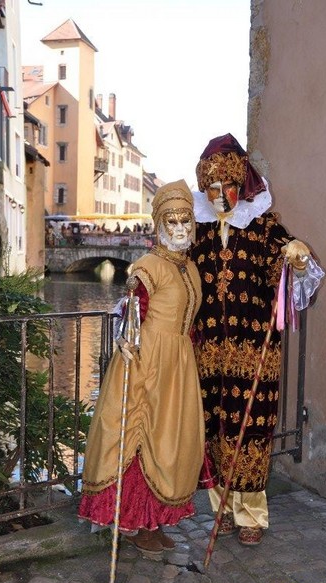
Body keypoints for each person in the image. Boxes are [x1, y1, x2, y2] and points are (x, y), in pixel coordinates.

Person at [190, 134, 324, 546]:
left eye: (226, 188)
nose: (219, 196)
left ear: (239, 184)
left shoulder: (262, 223)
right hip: (208, 350)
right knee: (214, 426)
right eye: (211, 189)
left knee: (250, 428)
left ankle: (251, 513)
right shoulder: (198, 229)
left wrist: (297, 254)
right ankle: (221, 507)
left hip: (254, 350)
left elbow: (290, 257)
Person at [78, 179, 205, 556]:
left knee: (171, 442)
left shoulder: (191, 268)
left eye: (186, 224)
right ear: (159, 228)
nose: (180, 231)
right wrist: (125, 340)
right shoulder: (150, 265)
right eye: (172, 224)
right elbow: (134, 308)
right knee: (142, 435)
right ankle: (133, 523)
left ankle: (153, 520)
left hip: (178, 365)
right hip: (147, 362)